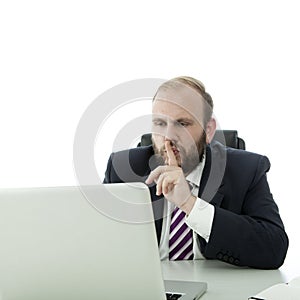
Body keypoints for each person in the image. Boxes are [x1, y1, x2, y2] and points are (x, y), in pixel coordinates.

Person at [103, 76, 288, 269]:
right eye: (160, 123)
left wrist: (189, 204)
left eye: (182, 123)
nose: (168, 136)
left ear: (208, 130)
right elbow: (94, 241)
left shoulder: (246, 169)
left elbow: (274, 249)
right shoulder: (121, 169)